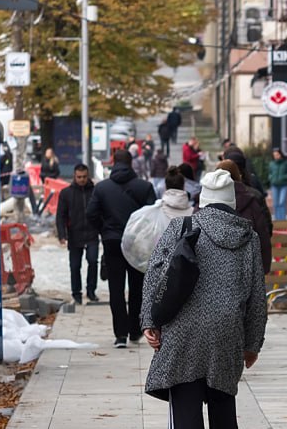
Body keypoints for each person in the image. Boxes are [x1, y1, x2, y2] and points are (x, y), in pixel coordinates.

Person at [141, 168, 267, 429]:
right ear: (232, 202)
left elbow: (155, 275)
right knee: (223, 394)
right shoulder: (248, 238)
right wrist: (253, 342)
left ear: (203, 200)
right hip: (228, 327)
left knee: (185, 396)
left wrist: (149, 320)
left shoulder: (182, 226)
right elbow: (256, 296)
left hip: (183, 325)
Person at [86, 148, 157, 347]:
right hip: (137, 244)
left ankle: (120, 335)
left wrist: (104, 229)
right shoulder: (144, 187)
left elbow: (91, 213)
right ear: (131, 162)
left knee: (115, 288)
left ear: (113, 161)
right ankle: (135, 329)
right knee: (137, 288)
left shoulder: (102, 188)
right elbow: (152, 215)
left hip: (112, 241)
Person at [122, 166, 194, 272]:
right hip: (185, 275)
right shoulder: (195, 214)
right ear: (184, 186)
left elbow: (131, 238)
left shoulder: (150, 213)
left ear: (165, 186)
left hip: (157, 273)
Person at [216, 159, 272, 275]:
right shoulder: (252, 198)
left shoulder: (208, 200)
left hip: (217, 268)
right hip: (247, 267)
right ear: (238, 175)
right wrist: (264, 266)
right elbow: (262, 232)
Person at [55, 164, 99, 305]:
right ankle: (76, 293)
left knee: (93, 261)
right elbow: (60, 216)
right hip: (74, 234)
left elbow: (102, 212)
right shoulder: (66, 193)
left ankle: (91, 291)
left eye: (84, 177)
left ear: (88, 176)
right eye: (79, 177)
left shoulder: (95, 191)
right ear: (74, 176)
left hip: (92, 233)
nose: (82, 180)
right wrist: (62, 234)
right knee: (75, 266)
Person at [267, 148, 287, 221]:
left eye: (277, 154)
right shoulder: (272, 163)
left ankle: (282, 220)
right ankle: (277, 220)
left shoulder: (286, 163)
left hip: (284, 185)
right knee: (275, 203)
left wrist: (284, 177)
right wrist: (271, 178)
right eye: (274, 155)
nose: (276, 156)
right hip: (274, 185)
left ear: (280, 154)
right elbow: (270, 173)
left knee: (282, 202)